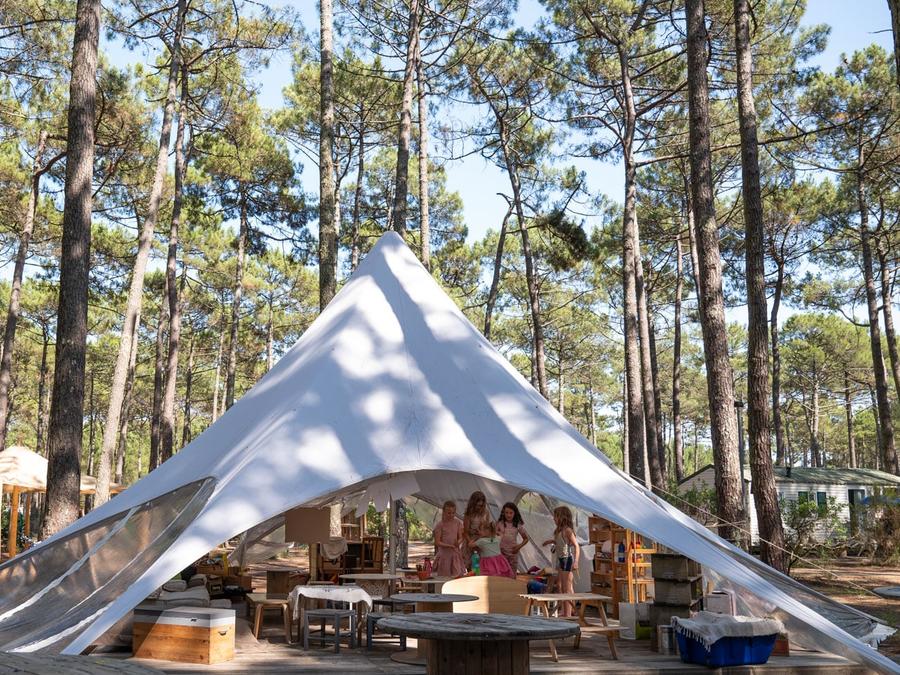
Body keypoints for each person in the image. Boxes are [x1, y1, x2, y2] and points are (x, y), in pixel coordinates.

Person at [542, 505, 579, 617]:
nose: (554, 519)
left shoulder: (568, 530)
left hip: (567, 560)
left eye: (556, 516)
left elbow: (576, 546)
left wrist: (576, 562)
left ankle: (567, 613)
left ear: (562, 517)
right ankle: (565, 611)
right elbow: (561, 543)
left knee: (566, 588)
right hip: (561, 560)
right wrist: (551, 541)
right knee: (562, 587)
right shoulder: (560, 531)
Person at [432, 500, 466, 578]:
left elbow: (461, 537)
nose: (451, 515)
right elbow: (437, 542)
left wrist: (458, 542)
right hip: (444, 555)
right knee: (444, 577)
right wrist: (448, 545)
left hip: (455, 554)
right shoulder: (440, 525)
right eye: (449, 513)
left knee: (457, 576)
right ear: (444, 512)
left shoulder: (458, 523)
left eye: (453, 513)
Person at [496, 502, 529, 574]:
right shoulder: (500, 523)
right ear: (503, 513)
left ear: (515, 513)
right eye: (506, 512)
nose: (508, 515)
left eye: (511, 513)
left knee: (512, 574)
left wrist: (518, 547)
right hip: (501, 553)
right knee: (502, 574)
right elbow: (493, 535)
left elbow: (526, 539)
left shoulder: (517, 525)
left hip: (513, 554)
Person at [463, 491, 492, 569]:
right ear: (473, 503)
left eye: (481, 505)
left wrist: (484, 536)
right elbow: (465, 532)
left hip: (481, 541)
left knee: (481, 567)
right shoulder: (468, 514)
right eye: (478, 505)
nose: (479, 507)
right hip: (470, 541)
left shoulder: (486, 512)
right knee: (471, 567)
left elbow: (487, 528)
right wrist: (471, 543)